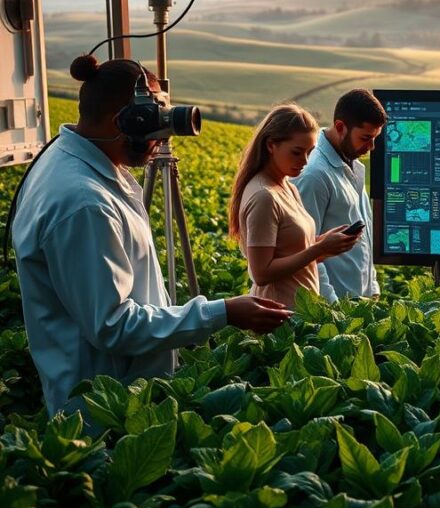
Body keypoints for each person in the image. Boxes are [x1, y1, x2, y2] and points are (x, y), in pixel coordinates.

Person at [11, 56, 293, 418]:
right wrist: (221, 313)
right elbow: (113, 326)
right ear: (123, 122)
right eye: (153, 122)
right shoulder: (83, 204)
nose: (162, 136)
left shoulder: (79, 162)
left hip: (122, 397)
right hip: (105, 413)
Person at [228, 104, 358, 306]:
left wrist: (324, 245)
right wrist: (318, 249)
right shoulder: (264, 196)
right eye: (297, 152)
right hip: (277, 316)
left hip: (296, 315)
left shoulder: (287, 187)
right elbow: (261, 272)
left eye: (309, 152)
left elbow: (288, 251)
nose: (305, 161)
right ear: (271, 145)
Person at [294, 89, 385, 300]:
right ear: (341, 127)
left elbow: (364, 237)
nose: (371, 147)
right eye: (366, 138)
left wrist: (372, 288)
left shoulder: (351, 163)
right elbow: (305, 250)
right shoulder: (314, 175)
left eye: (375, 139)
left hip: (356, 305)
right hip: (331, 310)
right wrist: (331, 307)